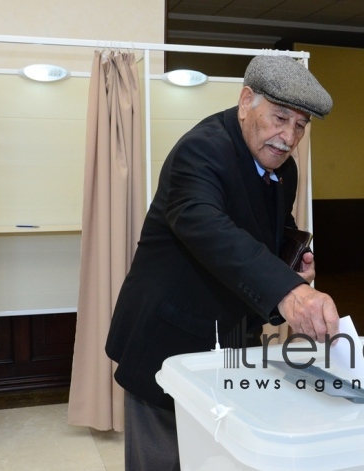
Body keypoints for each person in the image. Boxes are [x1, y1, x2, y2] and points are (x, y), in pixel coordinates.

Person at [105, 55, 340, 470]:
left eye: (300, 126)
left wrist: (290, 262)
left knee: (221, 454)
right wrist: (287, 291)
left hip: (229, 336)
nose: (288, 137)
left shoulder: (283, 168)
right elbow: (208, 227)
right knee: (162, 460)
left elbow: (271, 222)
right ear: (247, 100)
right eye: (279, 117)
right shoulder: (201, 150)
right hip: (168, 336)